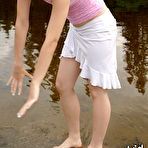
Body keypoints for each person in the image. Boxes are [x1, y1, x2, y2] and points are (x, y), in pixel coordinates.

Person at [6, 0, 122, 148]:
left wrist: (36, 82)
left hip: (99, 27)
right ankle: (74, 138)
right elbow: (21, 22)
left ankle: (96, 145)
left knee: (97, 90)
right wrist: (17, 63)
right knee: (63, 85)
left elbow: (52, 40)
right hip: (77, 29)